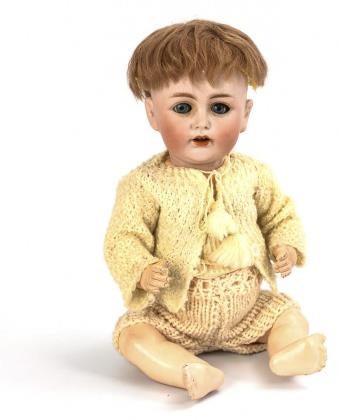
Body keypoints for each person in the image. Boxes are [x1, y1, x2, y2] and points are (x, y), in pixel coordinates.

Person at [103, 18, 327, 400]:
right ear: (153, 113)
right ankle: (189, 370)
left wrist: (286, 245)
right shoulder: (144, 184)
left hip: (247, 311)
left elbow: (280, 215)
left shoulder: (254, 174)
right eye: (183, 107)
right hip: (174, 314)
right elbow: (123, 238)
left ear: (245, 114)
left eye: (220, 107)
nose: (202, 122)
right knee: (133, 334)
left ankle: (289, 352)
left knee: (287, 314)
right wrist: (141, 269)